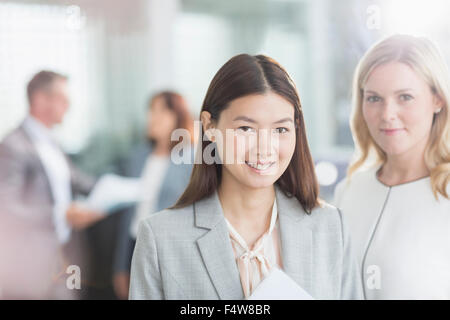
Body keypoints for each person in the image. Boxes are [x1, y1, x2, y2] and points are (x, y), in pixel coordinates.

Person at [129, 54, 362, 300]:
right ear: (209, 126)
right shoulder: (160, 238)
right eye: (246, 128)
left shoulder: (330, 227)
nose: (264, 149)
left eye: (280, 129)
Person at [334, 35, 450, 299]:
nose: (387, 114)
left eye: (405, 97)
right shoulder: (349, 190)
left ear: (438, 100)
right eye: (374, 98)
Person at [0, 70, 104, 299]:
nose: (69, 106)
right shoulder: (12, 145)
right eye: (63, 99)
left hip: (63, 257)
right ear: (40, 100)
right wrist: (61, 214)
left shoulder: (51, 143)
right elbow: (6, 208)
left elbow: (78, 180)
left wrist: (117, 189)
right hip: (28, 265)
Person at [113, 91, 194, 300]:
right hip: (134, 243)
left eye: (162, 111)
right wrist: (120, 267)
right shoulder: (138, 156)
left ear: (178, 116)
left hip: (170, 251)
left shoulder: (191, 158)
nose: (153, 117)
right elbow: (127, 214)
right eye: (151, 110)